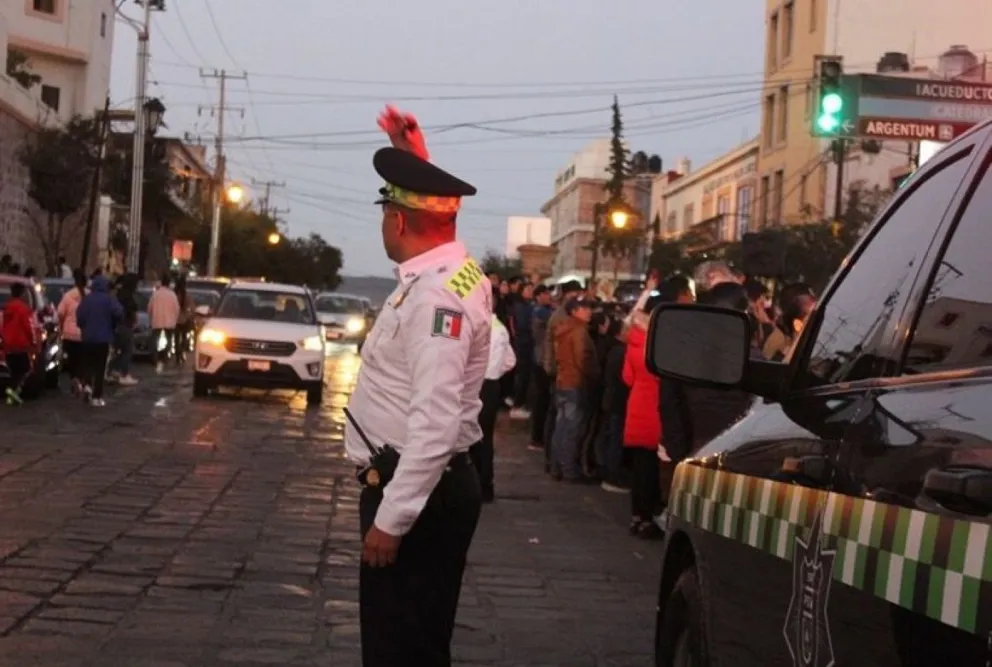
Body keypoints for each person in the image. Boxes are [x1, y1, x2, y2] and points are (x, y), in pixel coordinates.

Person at [343, 105, 490, 667]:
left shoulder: (436, 297)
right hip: (428, 484)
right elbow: (438, 216)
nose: (383, 222)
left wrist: (391, 519)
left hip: (417, 489)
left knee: (399, 650)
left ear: (399, 222)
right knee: (416, 641)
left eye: (386, 210)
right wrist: (414, 160)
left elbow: (435, 423)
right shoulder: (455, 270)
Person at [549, 297, 598, 482]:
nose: (589, 311)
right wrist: (595, 374)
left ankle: (556, 467)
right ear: (574, 311)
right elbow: (582, 360)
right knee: (572, 429)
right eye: (584, 308)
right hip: (575, 384)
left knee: (561, 427)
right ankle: (569, 470)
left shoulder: (562, 329)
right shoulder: (578, 331)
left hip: (562, 382)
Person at [472, 312, 516, 503]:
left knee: (469, 436)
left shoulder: (476, 327)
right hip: (491, 386)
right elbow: (510, 361)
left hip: (474, 384)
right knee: (486, 437)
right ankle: (486, 486)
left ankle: (471, 485)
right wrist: (495, 370)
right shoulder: (501, 328)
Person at [75, 275, 123, 407]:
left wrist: (83, 328)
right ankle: (97, 396)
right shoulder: (109, 300)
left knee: (88, 364)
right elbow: (119, 312)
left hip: (87, 338)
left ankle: (88, 385)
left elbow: (79, 317)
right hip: (103, 338)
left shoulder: (87, 300)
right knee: (100, 367)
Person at [2, 283, 37, 405]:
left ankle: (12, 395)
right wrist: (33, 341)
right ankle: (14, 391)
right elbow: (29, 326)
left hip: (8, 343)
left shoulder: (7, 308)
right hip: (21, 343)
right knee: (26, 369)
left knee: (13, 370)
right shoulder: (24, 309)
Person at [57, 269, 88, 394]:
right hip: (84, 334)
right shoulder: (89, 295)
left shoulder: (68, 296)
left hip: (69, 334)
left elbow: (59, 313)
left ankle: (74, 378)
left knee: (72, 360)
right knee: (82, 359)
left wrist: (61, 325)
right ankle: (80, 379)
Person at [148, 273, 180, 373]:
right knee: (169, 339)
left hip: (157, 320)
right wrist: (175, 319)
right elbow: (177, 308)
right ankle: (164, 356)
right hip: (169, 321)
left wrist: (150, 317)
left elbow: (149, 307)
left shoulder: (156, 294)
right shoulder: (172, 295)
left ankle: (155, 357)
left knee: (154, 340)